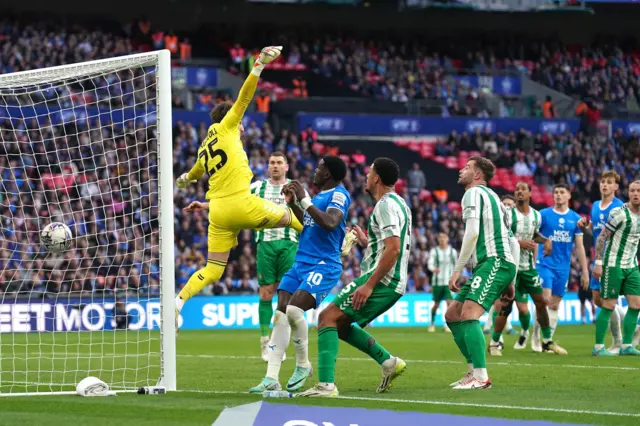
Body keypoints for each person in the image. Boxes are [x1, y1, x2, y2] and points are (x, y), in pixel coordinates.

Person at [174, 46, 305, 327]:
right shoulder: (227, 126)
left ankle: (178, 302)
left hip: (218, 213)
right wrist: (258, 65)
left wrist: (184, 180)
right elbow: (245, 96)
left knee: (212, 269)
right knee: (292, 217)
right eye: (241, 122)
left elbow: (195, 173)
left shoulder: (203, 146)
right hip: (240, 202)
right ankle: (333, 247)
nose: (243, 126)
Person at [298, 158, 409, 398]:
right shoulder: (399, 203)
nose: (366, 177)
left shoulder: (385, 205)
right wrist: (368, 243)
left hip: (382, 281)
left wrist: (368, 285)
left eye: (369, 172)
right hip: (393, 281)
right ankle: (388, 362)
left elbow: (394, 249)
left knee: (327, 317)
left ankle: (326, 386)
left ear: (376, 177)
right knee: (340, 323)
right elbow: (389, 247)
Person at [249, 156, 351, 394]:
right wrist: (294, 203)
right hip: (302, 262)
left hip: (324, 264)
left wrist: (304, 199)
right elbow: (310, 225)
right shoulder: (317, 198)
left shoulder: (339, 194)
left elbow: (330, 223)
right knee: (281, 313)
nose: (315, 171)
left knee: (295, 310)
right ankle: (271, 377)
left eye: (319, 168)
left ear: (327, 174)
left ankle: (303, 364)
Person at [445, 156, 516, 390]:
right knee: (453, 314)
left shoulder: (472, 194)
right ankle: (472, 371)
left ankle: (481, 376)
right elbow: (509, 238)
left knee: (469, 314)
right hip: (498, 263)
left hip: (493, 261)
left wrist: (457, 270)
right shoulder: (495, 198)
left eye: (467, 167)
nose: (461, 170)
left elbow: (473, 232)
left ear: (477, 175)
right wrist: (510, 279)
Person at [489, 182, 566, 356]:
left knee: (541, 302)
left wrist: (546, 241)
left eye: (523, 189)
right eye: (517, 190)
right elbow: (498, 236)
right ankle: (494, 342)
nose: (519, 192)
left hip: (528, 268)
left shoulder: (536, 216)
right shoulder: (508, 213)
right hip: (510, 267)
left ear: (530, 193)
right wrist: (518, 243)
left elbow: (534, 235)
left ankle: (547, 342)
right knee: (506, 306)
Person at [250, 152, 306, 361]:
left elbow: (308, 214)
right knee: (266, 294)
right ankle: (265, 342)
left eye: (279, 163)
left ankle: (277, 343)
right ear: (268, 166)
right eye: (272, 163)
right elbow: (236, 204)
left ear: (287, 166)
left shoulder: (297, 188)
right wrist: (206, 205)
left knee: (287, 297)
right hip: (265, 245)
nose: (275, 166)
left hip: (290, 245)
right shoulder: (256, 188)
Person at [532, 184, 589, 353]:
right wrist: (545, 242)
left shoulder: (575, 219)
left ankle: (546, 342)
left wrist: (585, 272)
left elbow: (579, 247)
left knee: (555, 306)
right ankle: (537, 336)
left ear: (568, 196)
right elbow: (533, 235)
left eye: (561, 192)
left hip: (563, 268)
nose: (558, 195)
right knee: (545, 300)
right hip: (545, 263)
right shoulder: (544, 215)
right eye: (556, 192)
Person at [591, 180, 640, 356]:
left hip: (632, 266)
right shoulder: (620, 214)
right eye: (632, 190)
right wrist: (598, 262)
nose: (635, 194)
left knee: (636, 305)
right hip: (613, 264)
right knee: (608, 305)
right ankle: (598, 347)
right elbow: (602, 237)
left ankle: (626, 345)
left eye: (638, 191)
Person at [577, 171, 624, 353]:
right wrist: (585, 227)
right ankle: (629, 323)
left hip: (611, 259)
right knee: (598, 300)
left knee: (607, 301)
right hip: (598, 258)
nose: (604, 185)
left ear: (615, 187)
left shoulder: (619, 206)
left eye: (609, 182)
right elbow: (595, 232)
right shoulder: (595, 205)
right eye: (602, 181)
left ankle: (618, 340)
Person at [484, 195, 517, 337]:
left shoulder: (518, 221)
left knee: (507, 303)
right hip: (498, 264)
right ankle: (497, 337)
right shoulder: (495, 222)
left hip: (517, 266)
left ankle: (492, 327)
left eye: (510, 204)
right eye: (505, 204)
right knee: (498, 302)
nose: (507, 206)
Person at [428, 233, 457, 333]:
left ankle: (447, 325)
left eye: (444, 237)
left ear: (447, 239)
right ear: (437, 239)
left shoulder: (452, 252)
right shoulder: (434, 251)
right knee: (436, 304)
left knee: (449, 303)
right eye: (440, 237)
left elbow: (456, 265)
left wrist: (455, 277)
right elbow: (430, 264)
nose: (442, 239)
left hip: (448, 282)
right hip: (437, 282)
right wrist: (433, 269)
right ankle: (432, 324)